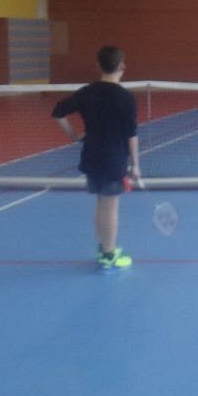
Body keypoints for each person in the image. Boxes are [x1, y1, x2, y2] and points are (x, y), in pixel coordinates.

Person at [51, 45, 140, 272]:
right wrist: (136, 165)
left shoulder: (87, 92)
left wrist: (74, 136)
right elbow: (131, 135)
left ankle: (104, 247)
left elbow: (58, 112)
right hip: (114, 160)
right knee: (110, 205)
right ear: (122, 66)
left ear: (98, 66)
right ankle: (109, 255)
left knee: (101, 202)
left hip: (91, 157)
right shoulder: (126, 98)